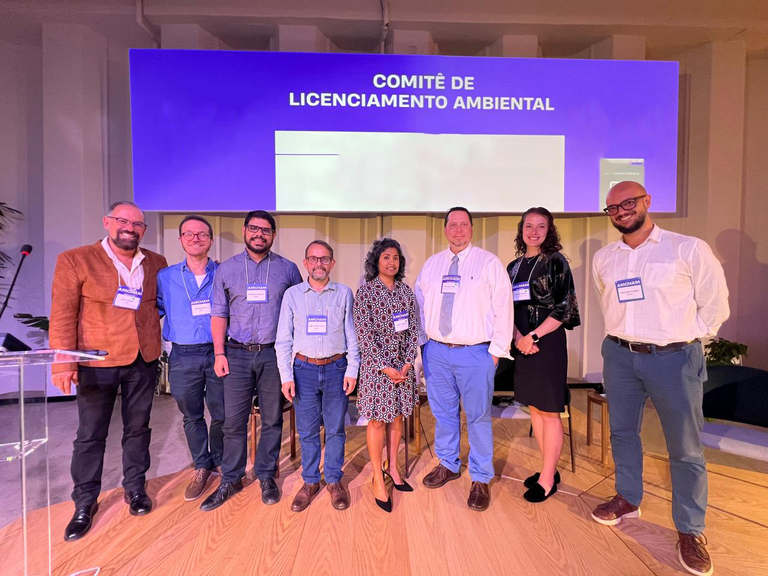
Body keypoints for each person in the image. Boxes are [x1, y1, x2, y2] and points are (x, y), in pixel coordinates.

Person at [591, 181, 729, 576]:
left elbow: (715, 306)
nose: (620, 212)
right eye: (612, 208)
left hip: (673, 358)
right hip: (619, 356)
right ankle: (628, 497)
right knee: (621, 432)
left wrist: (681, 341)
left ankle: (690, 528)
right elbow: (609, 301)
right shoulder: (606, 258)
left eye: (628, 203)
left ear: (647, 202)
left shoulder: (687, 248)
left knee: (684, 447)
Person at [49, 201, 168, 541]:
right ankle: (85, 502)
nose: (130, 227)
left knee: (138, 429)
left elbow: (156, 307)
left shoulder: (156, 262)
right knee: (90, 434)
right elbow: (62, 313)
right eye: (122, 220)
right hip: (95, 360)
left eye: (137, 224)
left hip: (142, 360)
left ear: (144, 229)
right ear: (107, 222)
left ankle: (135, 488)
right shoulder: (75, 259)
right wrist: (64, 360)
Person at [201, 210, 302, 511]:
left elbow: (297, 311)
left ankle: (266, 474)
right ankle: (231, 478)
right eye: (254, 229)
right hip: (236, 355)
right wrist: (219, 353)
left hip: (273, 355)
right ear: (245, 230)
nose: (259, 234)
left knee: (272, 418)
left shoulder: (288, 269)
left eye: (266, 230)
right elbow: (218, 313)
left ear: (273, 234)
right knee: (233, 421)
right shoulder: (228, 270)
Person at [415, 207, 514, 511]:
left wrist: (496, 353)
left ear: (471, 229)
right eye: (453, 225)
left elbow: (503, 307)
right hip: (437, 352)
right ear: (445, 230)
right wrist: (422, 349)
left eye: (463, 225)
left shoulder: (488, 263)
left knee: (479, 416)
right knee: (443, 414)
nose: (458, 230)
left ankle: (481, 477)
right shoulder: (432, 265)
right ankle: (448, 463)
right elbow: (419, 308)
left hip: (475, 353)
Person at [275, 240, 359, 512]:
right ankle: (310, 481)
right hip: (304, 371)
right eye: (313, 259)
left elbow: (352, 335)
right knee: (308, 431)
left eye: (324, 259)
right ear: (305, 263)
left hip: (336, 369)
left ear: (332, 263)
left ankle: (334, 479)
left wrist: (352, 369)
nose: (318, 264)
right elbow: (283, 340)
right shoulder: (293, 295)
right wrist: (286, 376)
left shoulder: (344, 293)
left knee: (335, 429)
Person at [507, 207, 580, 503]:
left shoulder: (556, 261)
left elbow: (565, 307)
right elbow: (505, 308)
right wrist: (517, 338)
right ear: (521, 230)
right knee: (535, 409)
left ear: (549, 230)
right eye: (528, 226)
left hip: (546, 342)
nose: (534, 231)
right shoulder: (513, 266)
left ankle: (549, 477)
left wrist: (533, 336)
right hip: (522, 341)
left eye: (540, 226)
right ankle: (546, 467)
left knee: (550, 411)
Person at [157, 215, 224, 501]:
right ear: (181, 239)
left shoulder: (224, 272)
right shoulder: (165, 277)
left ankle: (220, 461)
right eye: (189, 234)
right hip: (183, 355)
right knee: (191, 415)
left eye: (202, 234)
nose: (196, 238)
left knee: (222, 413)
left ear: (210, 239)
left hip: (219, 351)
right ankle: (201, 465)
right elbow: (154, 310)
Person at [354, 238, 420, 513]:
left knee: (397, 418)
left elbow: (413, 329)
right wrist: (385, 366)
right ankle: (377, 478)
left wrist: (406, 364)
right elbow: (364, 335)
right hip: (376, 370)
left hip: (401, 370)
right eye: (386, 258)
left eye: (395, 258)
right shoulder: (366, 293)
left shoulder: (406, 292)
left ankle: (393, 468)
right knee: (378, 422)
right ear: (376, 262)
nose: (391, 262)